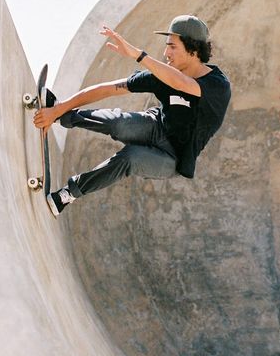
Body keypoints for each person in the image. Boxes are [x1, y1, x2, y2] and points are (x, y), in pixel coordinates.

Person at [33, 15, 231, 218]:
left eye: (172, 47)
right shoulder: (162, 75)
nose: (166, 53)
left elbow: (183, 84)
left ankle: (68, 194)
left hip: (173, 158)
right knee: (119, 124)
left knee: (130, 157)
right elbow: (107, 89)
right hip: (156, 127)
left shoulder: (218, 85)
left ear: (194, 49)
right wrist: (58, 110)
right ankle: (62, 115)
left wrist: (138, 55)